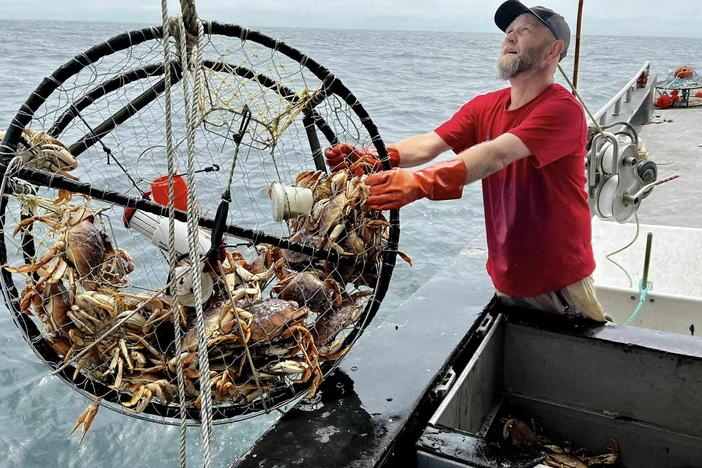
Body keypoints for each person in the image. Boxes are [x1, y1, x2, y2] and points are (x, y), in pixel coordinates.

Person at [324, 0, 606, 322]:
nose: (510, 37)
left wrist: (420, 182)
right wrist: (379, 158)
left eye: (524, 30)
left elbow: (496, 154)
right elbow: (429, 144)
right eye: (508, 31)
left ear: (553, 51)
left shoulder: (563, 110)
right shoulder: (485, 106)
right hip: (506, 275)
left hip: (559, 283)